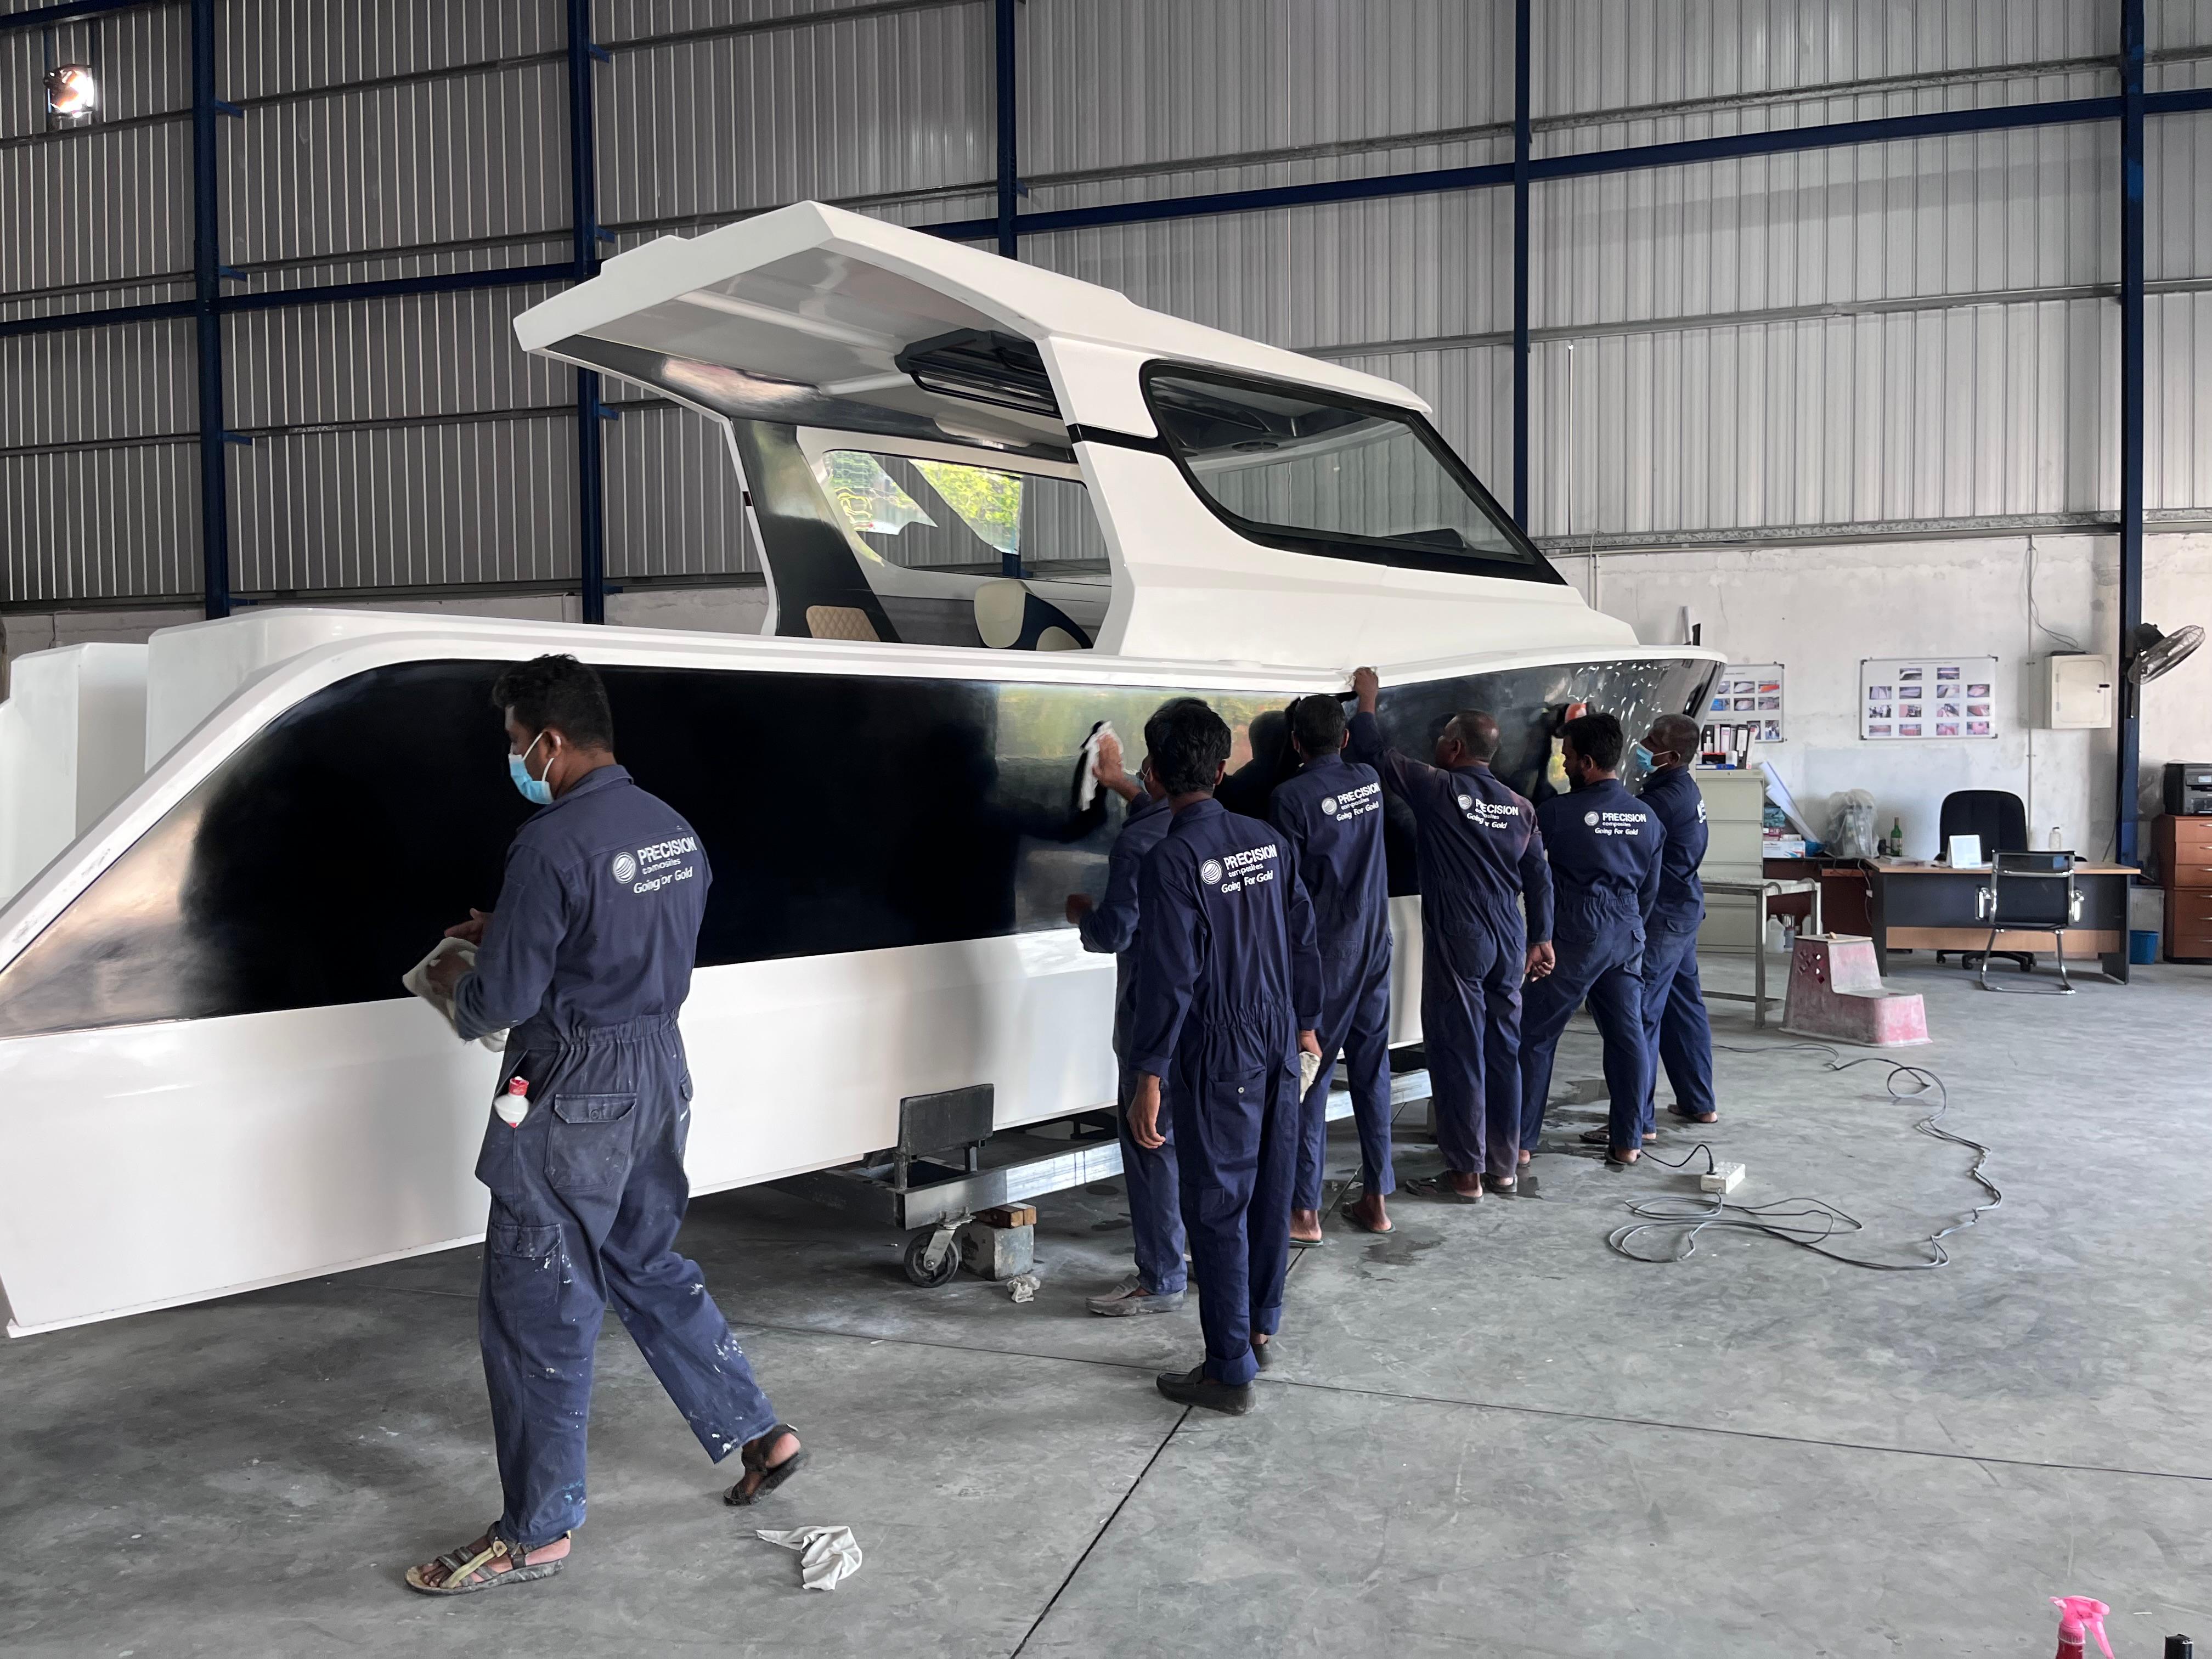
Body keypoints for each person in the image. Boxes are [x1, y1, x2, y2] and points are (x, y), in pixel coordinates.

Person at [407, 654, 800, 1597]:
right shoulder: (672, 829)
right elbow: (620, 932)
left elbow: (505, 999)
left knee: (537, 1302)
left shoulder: (550, 843)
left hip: (573, 1086)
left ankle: (536, 1532)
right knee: (645, 1260)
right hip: (658, 1070)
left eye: (516, 743)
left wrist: (457, 976)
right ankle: (760, 1431)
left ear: (549, 740)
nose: (515, 760)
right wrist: (518, 924)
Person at [1126, 699, 1323, 1414]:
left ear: (1153, 773)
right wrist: (1307, 1024)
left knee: (1216, 1205)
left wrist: (1148, 1072)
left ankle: (1228, 1369)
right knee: (1270, 1185)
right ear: (1221, 768)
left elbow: (1171, 977)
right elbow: (1303, 935)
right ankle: (1259, 1327)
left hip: (1219, 1045)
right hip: (1276, 1034)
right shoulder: (1266, 840)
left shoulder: (1171, 859)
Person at [1347, 668, 1551, 1200]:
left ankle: (1465, 1174)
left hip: (1462, 932)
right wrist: (1542, 937)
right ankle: (1502, 1166)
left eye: (1441, 737)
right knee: (1503, 1049)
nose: (1436, 744)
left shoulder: (1440, 789)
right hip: (1509, 934)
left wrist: (1367, 700)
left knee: (1459, 1049)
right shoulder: (1520, 807)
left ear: (1456, 747)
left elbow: (1373, 753)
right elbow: (1539, 875)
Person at [1065, 717, 1188, 1317]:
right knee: (1203, 1147)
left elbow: (1115, 932)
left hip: (1152, 1022)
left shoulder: (1139, 845)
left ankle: (1162, 1276)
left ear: (1156, 771)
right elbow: (1165, 811)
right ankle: (1208, 1259)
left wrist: (1082, 915)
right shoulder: (1241, 832)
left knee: (1151, 1141)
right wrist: (1120, 784)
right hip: (1217, 1019)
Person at [1269, 693, 1396, 1238]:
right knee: (1372, 1071)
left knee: (1311, 1076)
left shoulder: (1289, 798)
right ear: (1344, 739)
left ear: (1295, 743)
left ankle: (1304, 1212)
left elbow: (1288, 894)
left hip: (1327, 955)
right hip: (1375, 942)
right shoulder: (1369, 779)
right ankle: (1377, 1201)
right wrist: (1367, 700)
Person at [1517, 710, 1664, 1169]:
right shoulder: (1648, 818)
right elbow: (1650, 889)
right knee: (1627, 1037)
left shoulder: (1558, 814)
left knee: (1536, 1035)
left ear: (1586, 763)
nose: (1564, 764)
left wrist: (1540, 934)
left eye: (1567, 757)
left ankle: (1520, 1142)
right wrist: (1629, 926)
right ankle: (1628, 1140)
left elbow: (1532, 872)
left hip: (1575, 932)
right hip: (1627, 931)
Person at [1635, 714, 1717, 1129]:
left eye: (1652, 741)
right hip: (1683, 909)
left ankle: (1637, 1123)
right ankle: (1699, 1102)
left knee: (1641, 1013)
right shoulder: (1683, 788)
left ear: (1671, 756)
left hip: (1665, 917)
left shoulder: (1661, 802)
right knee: (1685, 1009)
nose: (1643, 745)